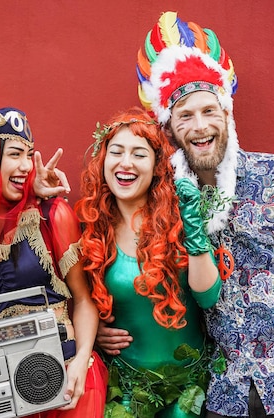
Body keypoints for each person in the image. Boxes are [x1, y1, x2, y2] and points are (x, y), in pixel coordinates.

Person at [98, 10, 274, 418]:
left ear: (227, 114)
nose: (199, 125)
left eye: (209, 111)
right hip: (226, 392)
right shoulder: (165, 199)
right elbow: (136, 264)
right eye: (185, 116)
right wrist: (102, 330)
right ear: (171, 130)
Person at [0, 107, 108, 417]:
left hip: (68, 378)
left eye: (30, 154)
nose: (27, 166)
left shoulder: (51, 215)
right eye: (15, 154)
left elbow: (83, 298)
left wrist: (81, 361)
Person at [75, 107, 222, 418]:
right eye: (116, 152)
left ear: (157, 165)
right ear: (103, 161)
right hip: (126, 388)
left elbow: (208, 296)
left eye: (139, 154)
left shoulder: (178, 218)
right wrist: (94, 333)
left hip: (191, 387)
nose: (125, 163)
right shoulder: (92, 226)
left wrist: (193, 227)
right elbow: (77, 298)